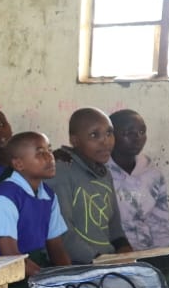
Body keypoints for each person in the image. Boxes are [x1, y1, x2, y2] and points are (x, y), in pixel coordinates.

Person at [0, 132, 71, 288]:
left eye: (49, 150)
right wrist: (46, 279)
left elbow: (56, 246)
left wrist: (69, 279)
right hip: (3, 277)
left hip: (32, 268)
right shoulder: (5, 197)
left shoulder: (48, 195)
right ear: (18, 164)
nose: (50, 157)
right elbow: (10, 255)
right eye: (40, 152)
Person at [48, 108, 133, 263]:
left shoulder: (103, 172)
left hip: (107, 262)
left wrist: (126, 254)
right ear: (74, 140)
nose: (106, 141)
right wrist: (98, 261)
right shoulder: (61, 171)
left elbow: (115, 228)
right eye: (94, 135)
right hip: (80, 265)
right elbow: (62, 234)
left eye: (109, 133)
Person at [106, 109, 169, 250]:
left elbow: (160, 224)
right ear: (110, 136)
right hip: (114, 254)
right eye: (129, 133)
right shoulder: (100, 174)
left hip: (147, 251)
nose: (138, 137)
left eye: (142, 132)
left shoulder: (153, 175)